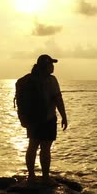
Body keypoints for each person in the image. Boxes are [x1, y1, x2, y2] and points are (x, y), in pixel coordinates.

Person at [25, 54, 68, 184]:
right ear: (46, 66)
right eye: (51, 64)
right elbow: (58, 99)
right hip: (47, 119)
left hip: (32, 120)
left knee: (32, 146)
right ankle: (45, 177)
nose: (53, 67)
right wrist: (64, 116)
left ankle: (31, 176)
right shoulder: (51, 80)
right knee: (45, 148)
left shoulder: (29, 80)